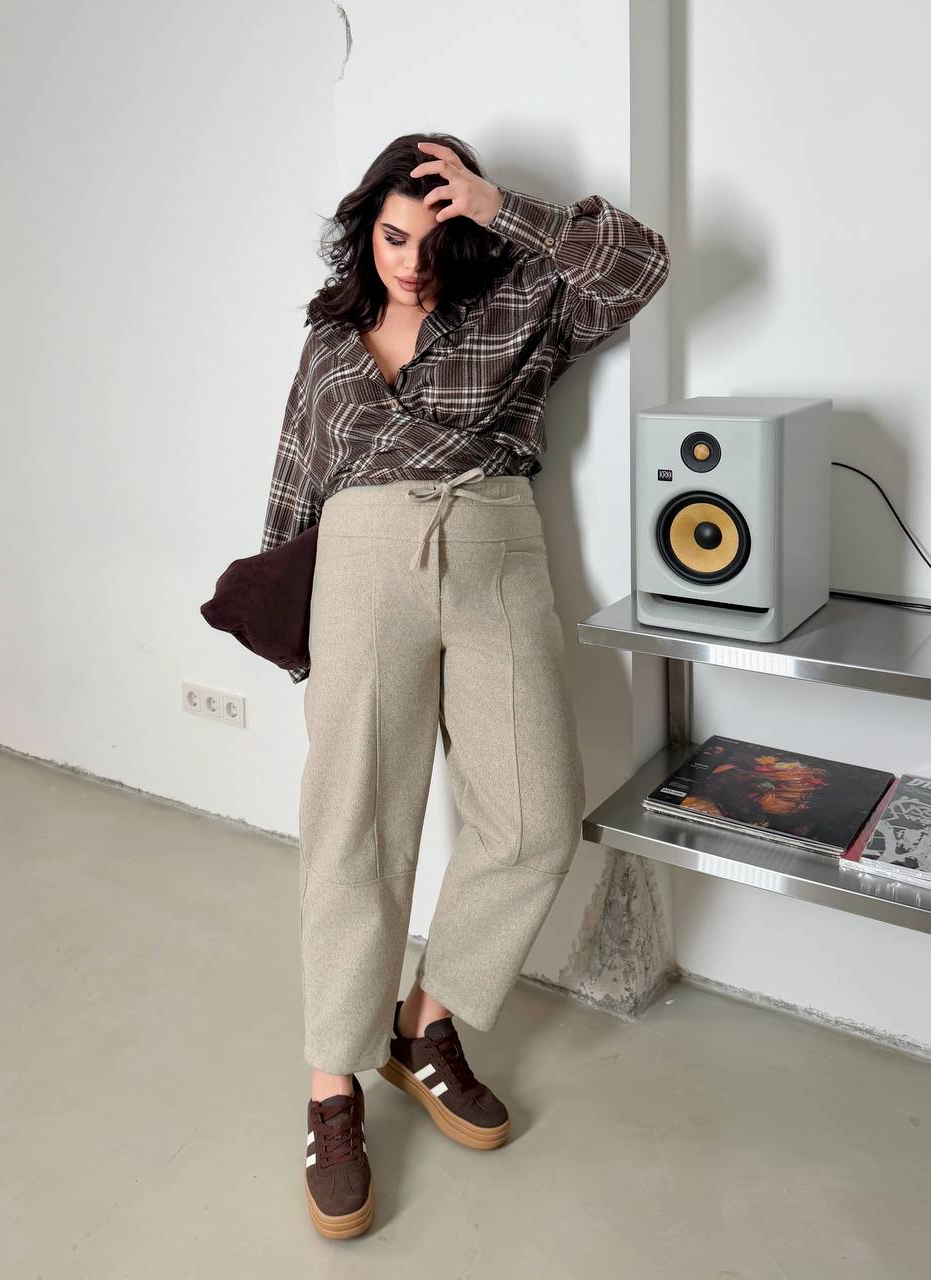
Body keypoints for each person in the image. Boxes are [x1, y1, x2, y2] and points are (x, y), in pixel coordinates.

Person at [260, 132, 670, 1240]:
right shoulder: (329, 336)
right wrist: (288, 619)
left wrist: (501, 209)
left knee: (535, 814)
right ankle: (332, 1088)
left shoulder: (529, 293)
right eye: (392, 236)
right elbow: (295, 473)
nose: (409, 261)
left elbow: (639, 263)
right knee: (354, 826)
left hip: (494, 549)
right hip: (358, 570)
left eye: (433, 238)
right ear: (366, 228)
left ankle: (423, 1022)